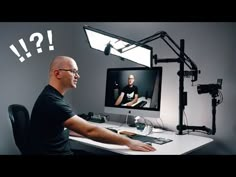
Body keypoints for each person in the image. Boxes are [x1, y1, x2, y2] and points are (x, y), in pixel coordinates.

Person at [28, 56, 155, 155]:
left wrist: (89, 131)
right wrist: (129, 141)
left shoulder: (51, 96)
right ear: (57, 74)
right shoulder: (53, 102)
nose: (78, 76)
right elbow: (90, 131)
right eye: (73, 71)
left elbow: (66, 129)